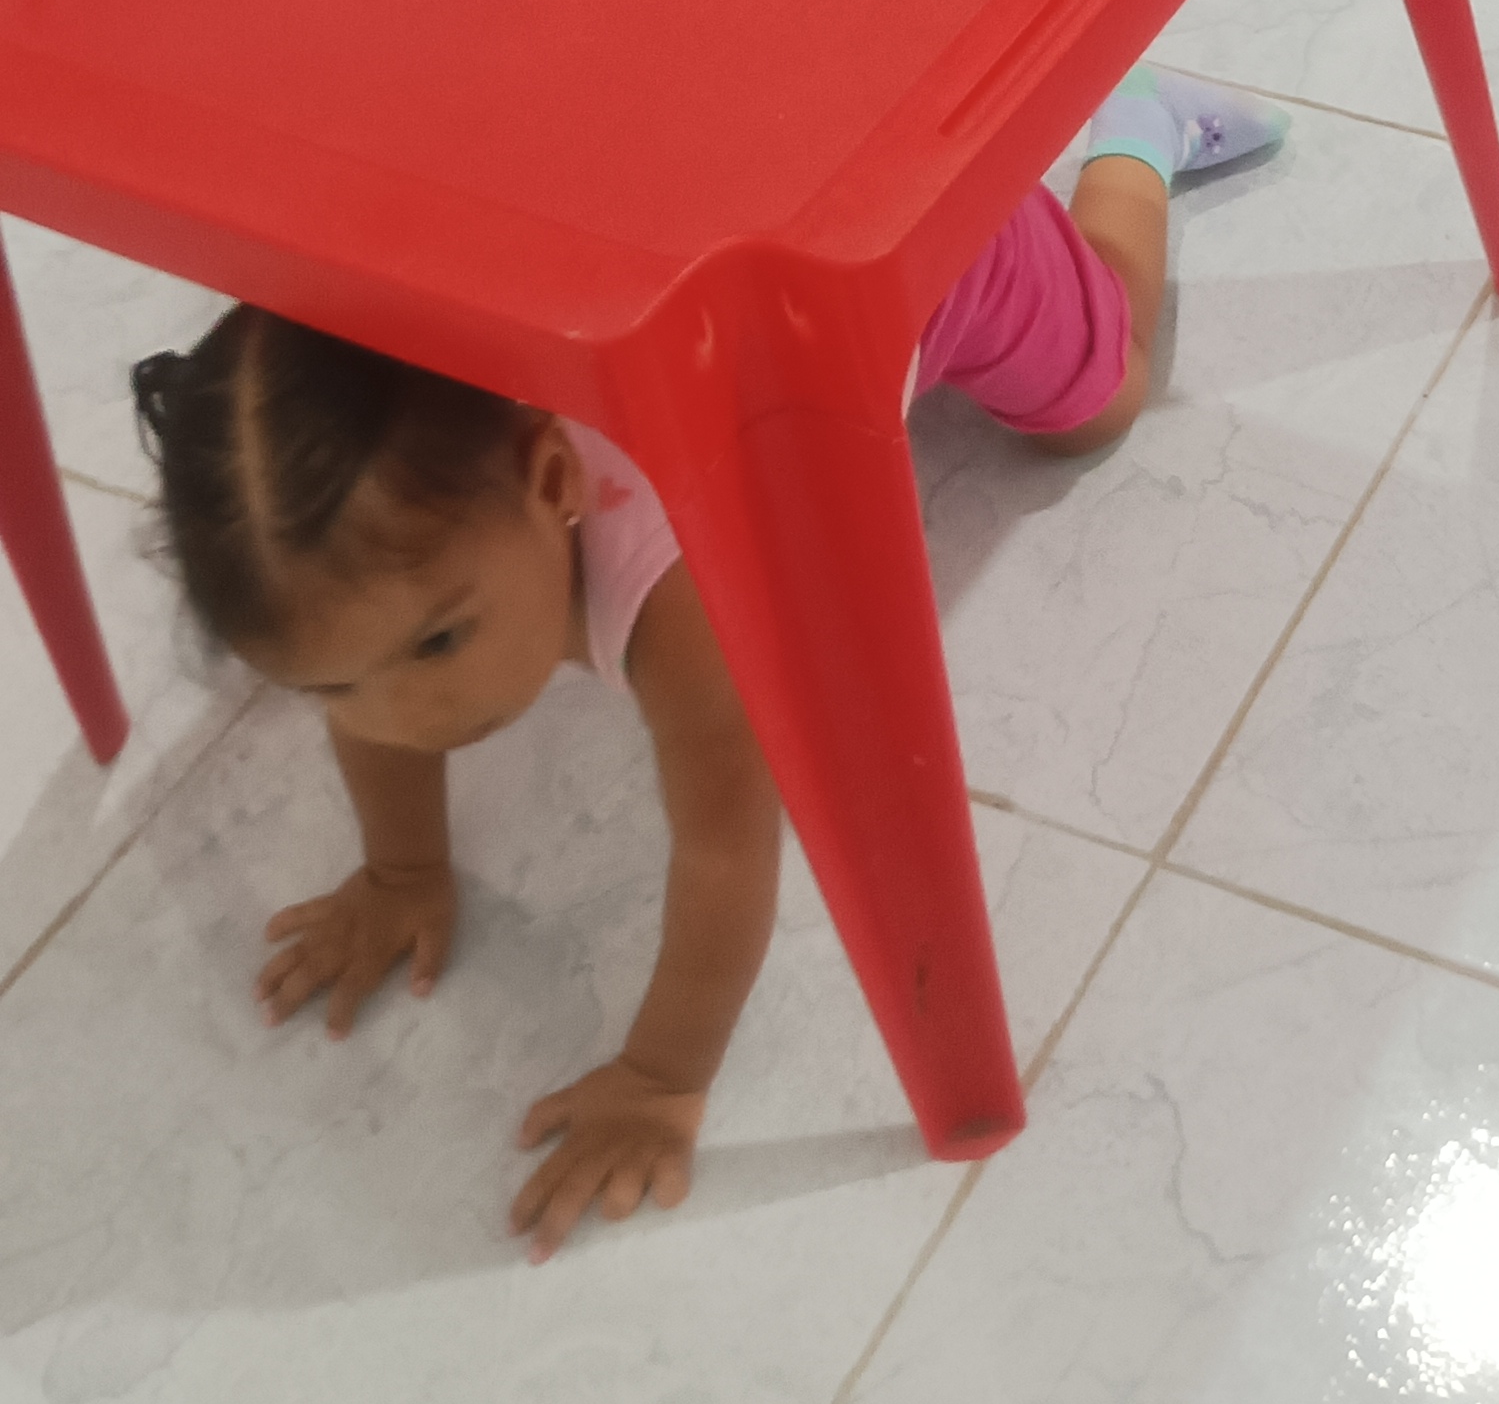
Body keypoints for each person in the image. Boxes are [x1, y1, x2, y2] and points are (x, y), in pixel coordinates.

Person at [129, 64, 1281, 1261]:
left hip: (921, 247)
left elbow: (728, 846)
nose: (406, 712)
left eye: (439, 641)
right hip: (744, 203)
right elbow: (370, 680)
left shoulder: (678, 591)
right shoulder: (404, 557)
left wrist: (661, 1076)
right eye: (329, 685)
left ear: (553, 477)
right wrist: (401, 869)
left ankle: (1137, 129)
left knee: (1099, 402)